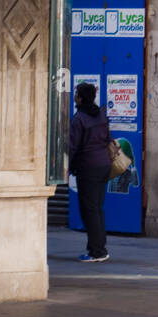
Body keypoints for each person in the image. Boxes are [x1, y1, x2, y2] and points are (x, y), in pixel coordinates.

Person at [68, 83, 111, 262]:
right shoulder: (101, 115)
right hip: (104, 166)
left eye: (77, 94)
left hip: (88, 167)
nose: (75, 96)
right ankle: (100, 247)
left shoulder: (79, 119)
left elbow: (72, 146)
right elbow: (108, 139)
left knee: (89, 210)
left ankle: (97, 251)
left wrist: (67, 166)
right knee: (97, 209)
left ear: (80, 98)